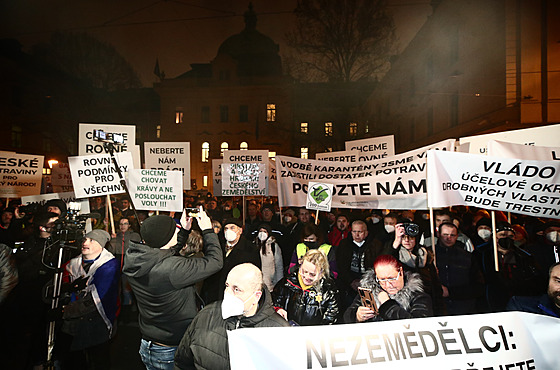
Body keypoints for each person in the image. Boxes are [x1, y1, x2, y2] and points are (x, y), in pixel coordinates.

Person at [123, 208, 223, 370]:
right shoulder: (172, 269)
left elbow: (164, 252)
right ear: (167, 237)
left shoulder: (135, 257)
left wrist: (184, 230)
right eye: (174, 229)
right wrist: (207, 230)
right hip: (170, 351)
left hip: (150, 342)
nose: (177, 228)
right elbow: (215, 261)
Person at [174, 263, 289, 369]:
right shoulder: (206, 315)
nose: (228, 294)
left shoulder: (279, 331)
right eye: (227, 286)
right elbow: (182, 362)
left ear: (256, 296)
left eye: (237, 289)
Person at [57, 229, 120, 369]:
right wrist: (65, 289)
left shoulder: (109, 266)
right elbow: (52, 289)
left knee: (98, 361)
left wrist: (64, 311)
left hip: (97, 324)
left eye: (92, 240)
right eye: (85, 239)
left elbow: (96, 300)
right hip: (73, 326)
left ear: (102, 245)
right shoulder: (72, 264)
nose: (85, 242)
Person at [474, 221, 541, 312]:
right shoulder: (481, 253)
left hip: (516, 301)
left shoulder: (523, 256)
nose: (506, 238)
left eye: (510, 236)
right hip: (490, 301)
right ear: (495, 236)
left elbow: (533, 280)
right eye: (502, 235)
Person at [344, 254, 433, 323]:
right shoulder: (369, 292)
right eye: (382, 280)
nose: (388, 284)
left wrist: (387, 305)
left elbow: (419, 326)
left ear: (401, 272)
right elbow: (346, 317)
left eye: (392, 278)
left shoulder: (417, 296)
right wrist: (357, 316)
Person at [384, 221, 445, 315]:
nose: (407, 240)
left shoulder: (425, 255)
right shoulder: (394, 255)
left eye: (411, 237)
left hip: (427, 303)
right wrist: (396, 241)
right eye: (403, 237)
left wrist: (439, 311)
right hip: (403, 305)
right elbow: (384, 263)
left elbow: (435, 286)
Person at [201, 218, 261, 304]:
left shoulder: (250, 249)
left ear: (240, 230)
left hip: (236, 295)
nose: (229, 231)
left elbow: (254, 274)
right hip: (215, 293)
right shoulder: (218, 247)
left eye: (232, 228)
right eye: (226, 228)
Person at [273, 249, 340, 325]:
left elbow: (331, 317)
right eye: (304, 271)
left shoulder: (329, 289)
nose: (306, 277)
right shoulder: (287, 282)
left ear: (321, 273)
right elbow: (273, 301)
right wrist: (278, 309)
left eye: (312, 274)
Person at [435, 222, 483, 315]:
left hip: (464, 309)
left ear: (457, 236)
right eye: (445, 234)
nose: (448, 238)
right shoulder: (430, 255)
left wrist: (450, 292)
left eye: (452, 235)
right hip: (439, 309)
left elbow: (478, 287)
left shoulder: (468, 257)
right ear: (438, 234)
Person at [335, 220, 383, 310]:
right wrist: (351, 281)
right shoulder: (344, 244)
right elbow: (341, 265)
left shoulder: (375, 245)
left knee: (368, 309)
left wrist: (367, 281)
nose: (357, 235)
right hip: (348, 282)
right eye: (354, 231)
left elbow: (376, 265)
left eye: (360, 232)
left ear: (366, 233)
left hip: (368, 282)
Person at [254, 224, 283, 292]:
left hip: (269, 285)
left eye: (265, 231)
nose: (262, 233)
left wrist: (279, 283)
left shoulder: (274, 246)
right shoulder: (254, 245)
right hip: (255, 284)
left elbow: (279, 266)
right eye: (260, 231)